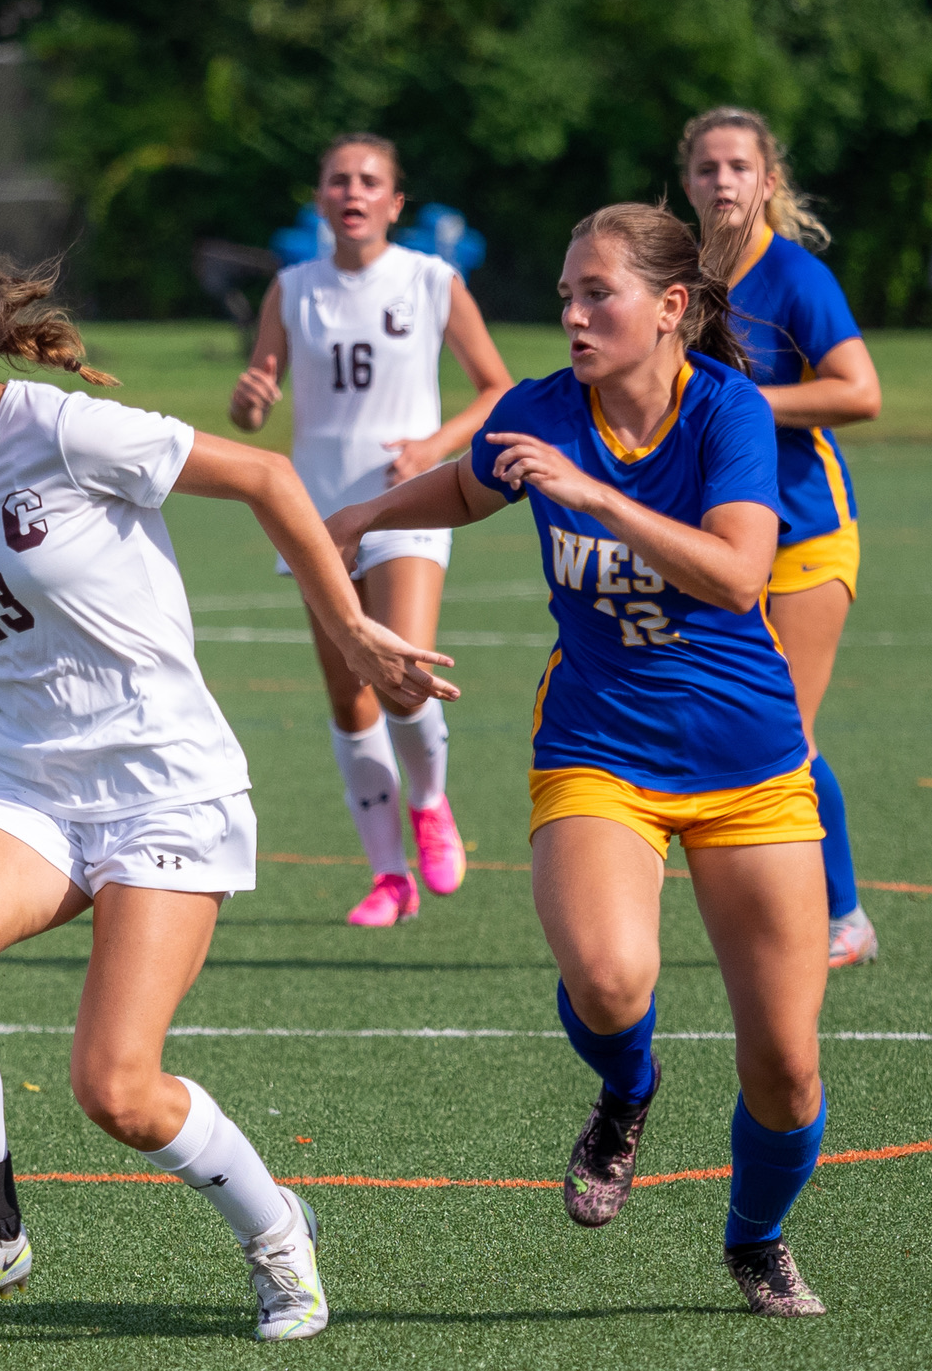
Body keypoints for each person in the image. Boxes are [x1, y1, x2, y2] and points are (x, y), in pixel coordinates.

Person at [0, 216, 456, 1337]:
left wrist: (353, 627)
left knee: (116, 1087)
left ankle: (278, 1235)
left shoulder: (67, 430)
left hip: (167, 786)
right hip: (30, 782)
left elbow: (267, 474)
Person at [326, 202, 831, 1317]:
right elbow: (467, 485)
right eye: (565, 292)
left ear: (672, 309)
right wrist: (360, 517)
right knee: (609, 980)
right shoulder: (540, 409)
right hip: (600, 746)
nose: (572, 312)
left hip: (750, 761)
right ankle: (626, 1093)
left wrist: (594, 493)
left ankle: (756, 1237)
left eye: (596, 292)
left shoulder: (728, 411)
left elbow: (740, 575)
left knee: (786, 1070)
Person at [228, 135, 512, 926]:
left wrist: (433, 445)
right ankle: (389, 876)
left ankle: (429, 802)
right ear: (320, 199)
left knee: (402, 670)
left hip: (408, 501)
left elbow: (497, 388)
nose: (351, 192)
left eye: (368, 181)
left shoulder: (430, 280)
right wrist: (249, 398)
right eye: (336, 180)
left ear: (394, 202)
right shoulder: (291, 289)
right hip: (314, 513)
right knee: (349, 695)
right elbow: (253, 402)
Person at [679, 107, 884, 968]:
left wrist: (745, 404)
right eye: (705, 168)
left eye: (738, 166)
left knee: (782, 734)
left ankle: (842, 917)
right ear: (685, 182)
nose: (721, 181)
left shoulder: (796, 278)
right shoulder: (675, 275)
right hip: (720, 544)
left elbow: (859, 391)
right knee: (714, 722)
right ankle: (770, 904)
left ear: (769, 181)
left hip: (805, 537)